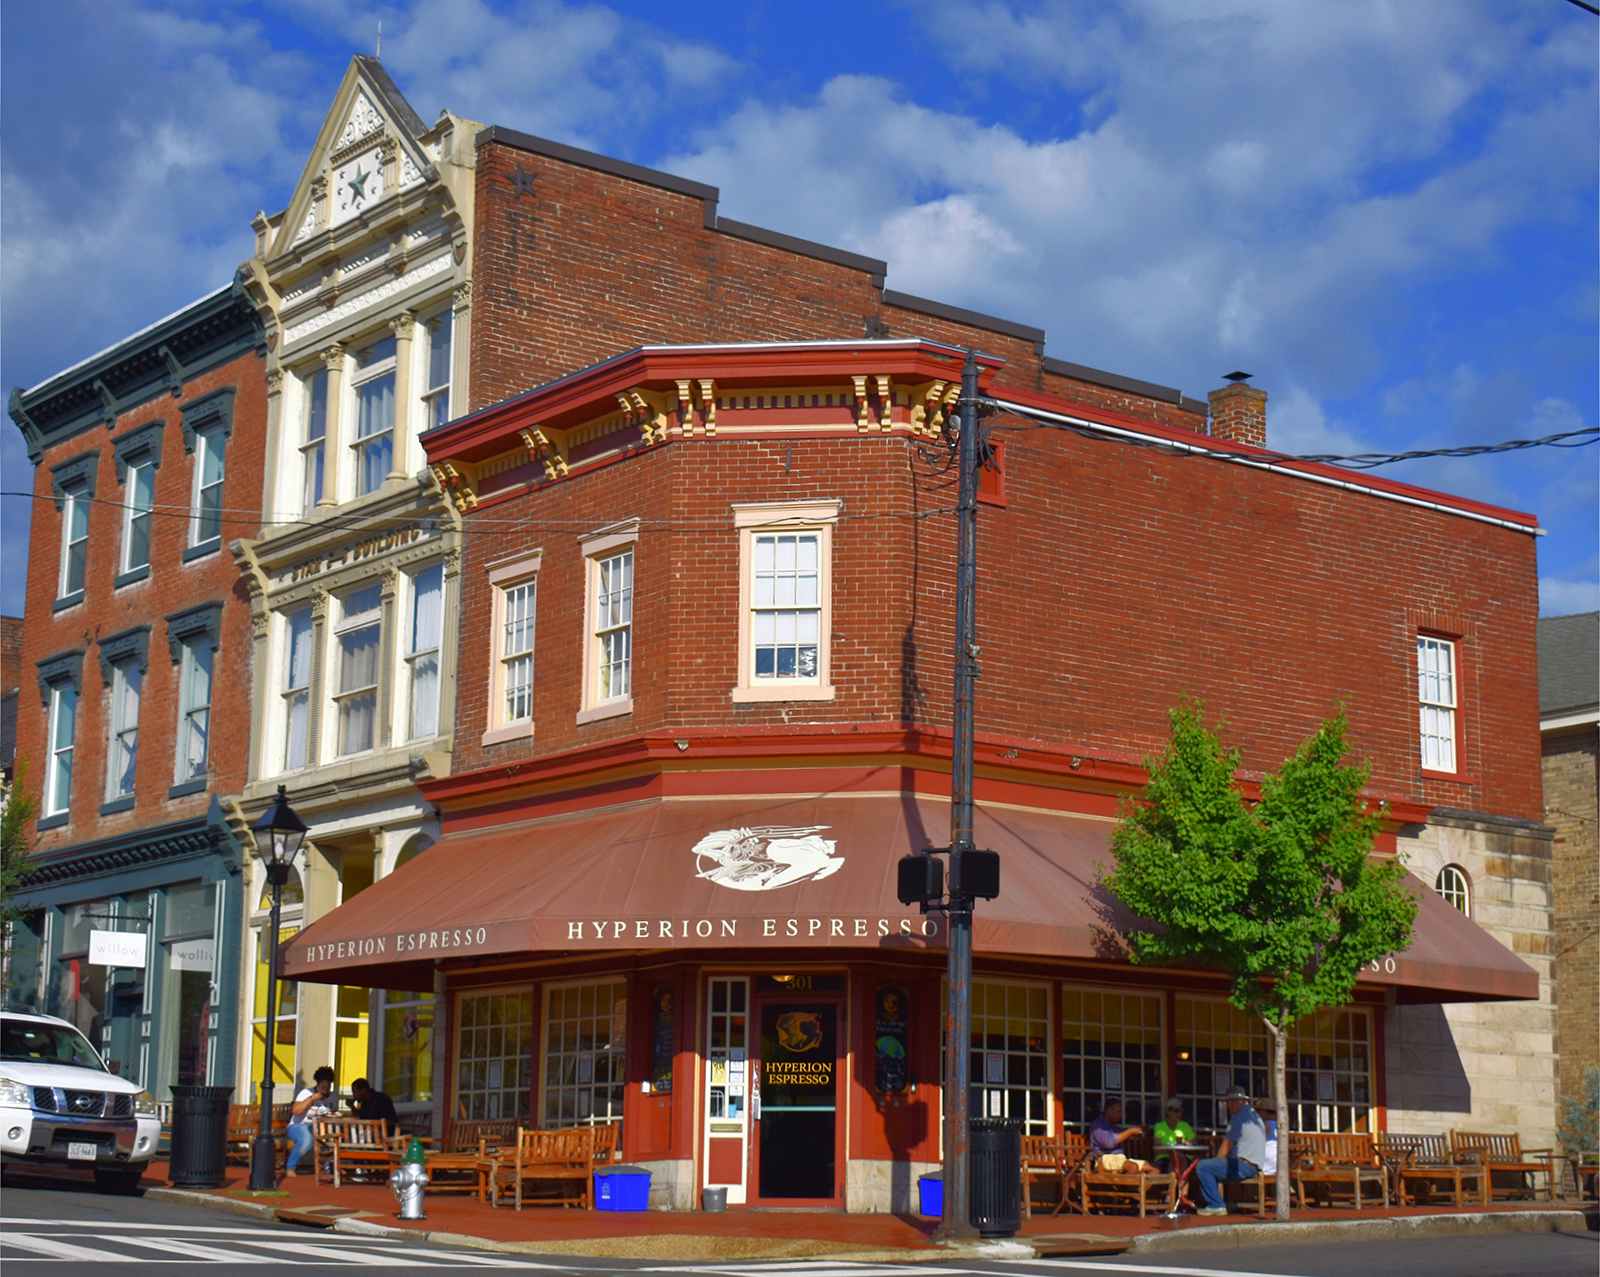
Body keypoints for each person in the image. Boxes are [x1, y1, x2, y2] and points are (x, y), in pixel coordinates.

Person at [1193, 1085, 1266, 1216]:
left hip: (1243, 1166)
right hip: (1253, 1165)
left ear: (1242, 1101)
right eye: (1228, 1102)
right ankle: (1224, 1202)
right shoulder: (1253, 1115)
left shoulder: (1239, 1117)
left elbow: (1226, 1145)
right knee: (1213, 1166)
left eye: (1232, 1101)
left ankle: (1216, 1205)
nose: (1229, 1105)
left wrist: (1215, 1161)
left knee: (1203, 1167)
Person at [285, 1065, 336, 1177]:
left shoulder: (332, 1097)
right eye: (322, 1085)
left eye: (328, 1085)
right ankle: (290, 1167)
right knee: (307, 1139)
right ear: (317, 1083)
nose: (325, 1089)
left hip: (320, 1127)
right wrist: (312, 1099)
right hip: (299, 1125)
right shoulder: (306, 1093)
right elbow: (296, 1111)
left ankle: (331, 1166)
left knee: (337, 1136)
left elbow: (332, 1113)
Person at [1152, 1099, 1197, 1171]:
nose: (1179, 1114)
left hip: (1184, 1157)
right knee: (1174, 1162)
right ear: (1168, 1112)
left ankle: (1179, 1181)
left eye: (1180, 1111)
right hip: (1164, 1157)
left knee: (1181, 1160)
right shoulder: (1160, 1127)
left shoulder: (1185, 1126)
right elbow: (1157, 1148)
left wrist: (1185, 1143)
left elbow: (1193, 1143)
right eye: (1176, 1111)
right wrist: (1172, 1152)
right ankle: (1178, 1181)